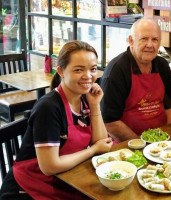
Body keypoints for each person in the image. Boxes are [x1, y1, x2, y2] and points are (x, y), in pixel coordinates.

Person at [0, 41, 113, 200]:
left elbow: (101, 142)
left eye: (93, 69)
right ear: (61, 71)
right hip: (29, 187)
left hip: (65, 178)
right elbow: (49, 166)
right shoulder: (49, 107)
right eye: (78, 70)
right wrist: (92, 150)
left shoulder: (85, 97)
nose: (88, 76)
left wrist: (95, 106)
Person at [100, 18, 171, 142]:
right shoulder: (117, 71)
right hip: (128, 144)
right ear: (131, 40)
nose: (150, 45)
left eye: (155, 39)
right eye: (144, 39)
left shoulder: (162, 65)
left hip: (161, 140)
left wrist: (166, 138)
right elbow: (109, 122)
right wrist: (140, 144)